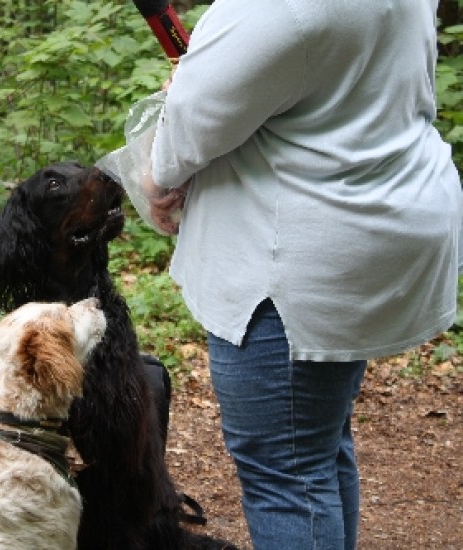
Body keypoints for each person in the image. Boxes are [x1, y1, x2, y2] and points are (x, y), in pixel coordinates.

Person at [142, 1, 463, 549]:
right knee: (315, 446)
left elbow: (194, 120)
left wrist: (157, 176)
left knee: (286, 472)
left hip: (296, 255)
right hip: (370, 218)